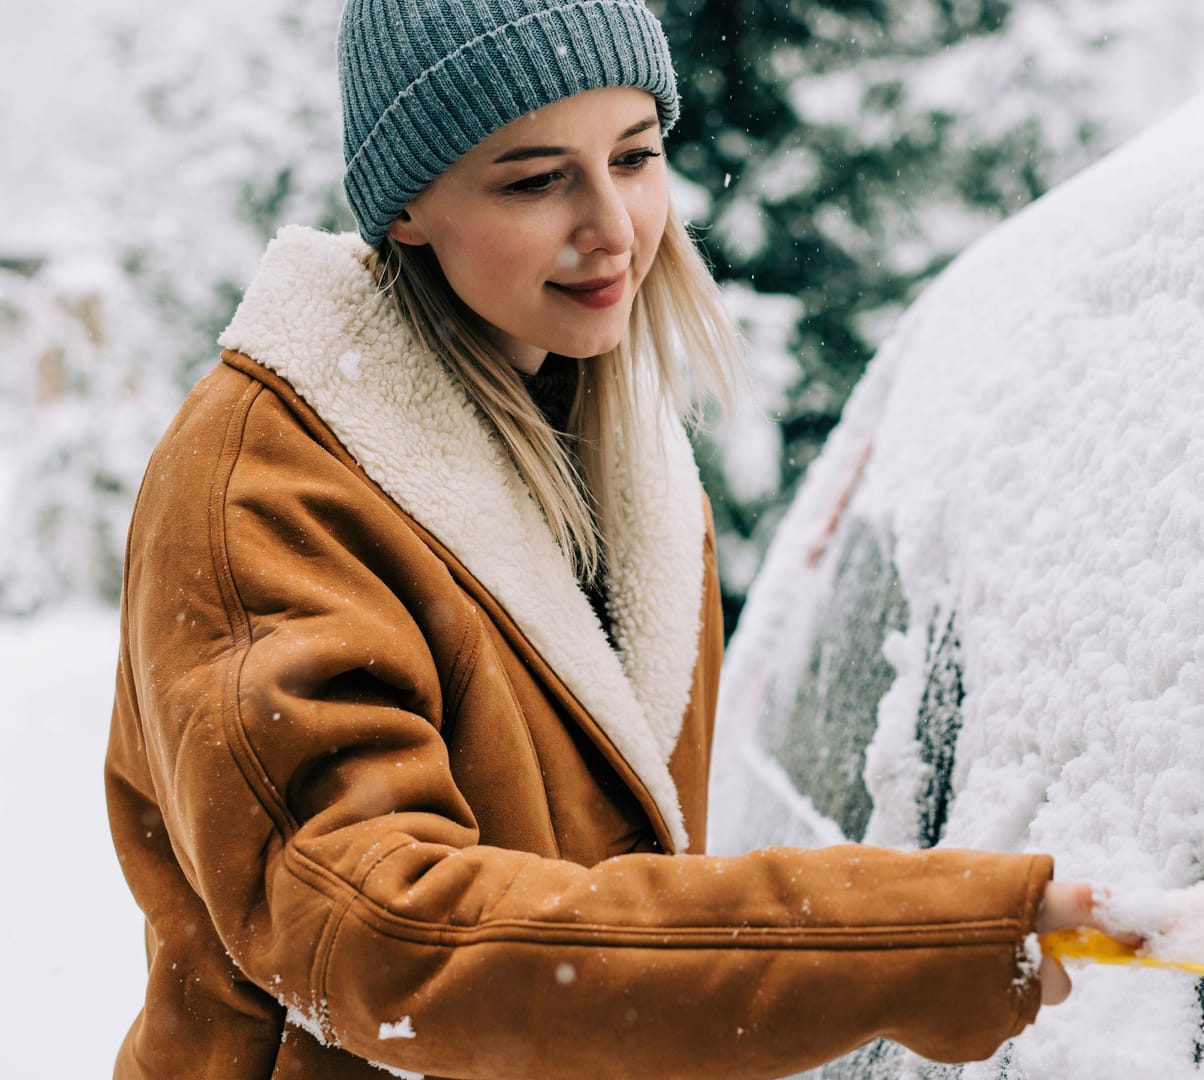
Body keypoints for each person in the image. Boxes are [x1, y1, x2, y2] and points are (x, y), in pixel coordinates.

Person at [103, 1, 1105, 1075]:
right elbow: (383, 938)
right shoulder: (265, 487)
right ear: (407, 210)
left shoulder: (623, 465)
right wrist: (888, 939)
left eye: (634, 157)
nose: (616, 227)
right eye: (536, 180)